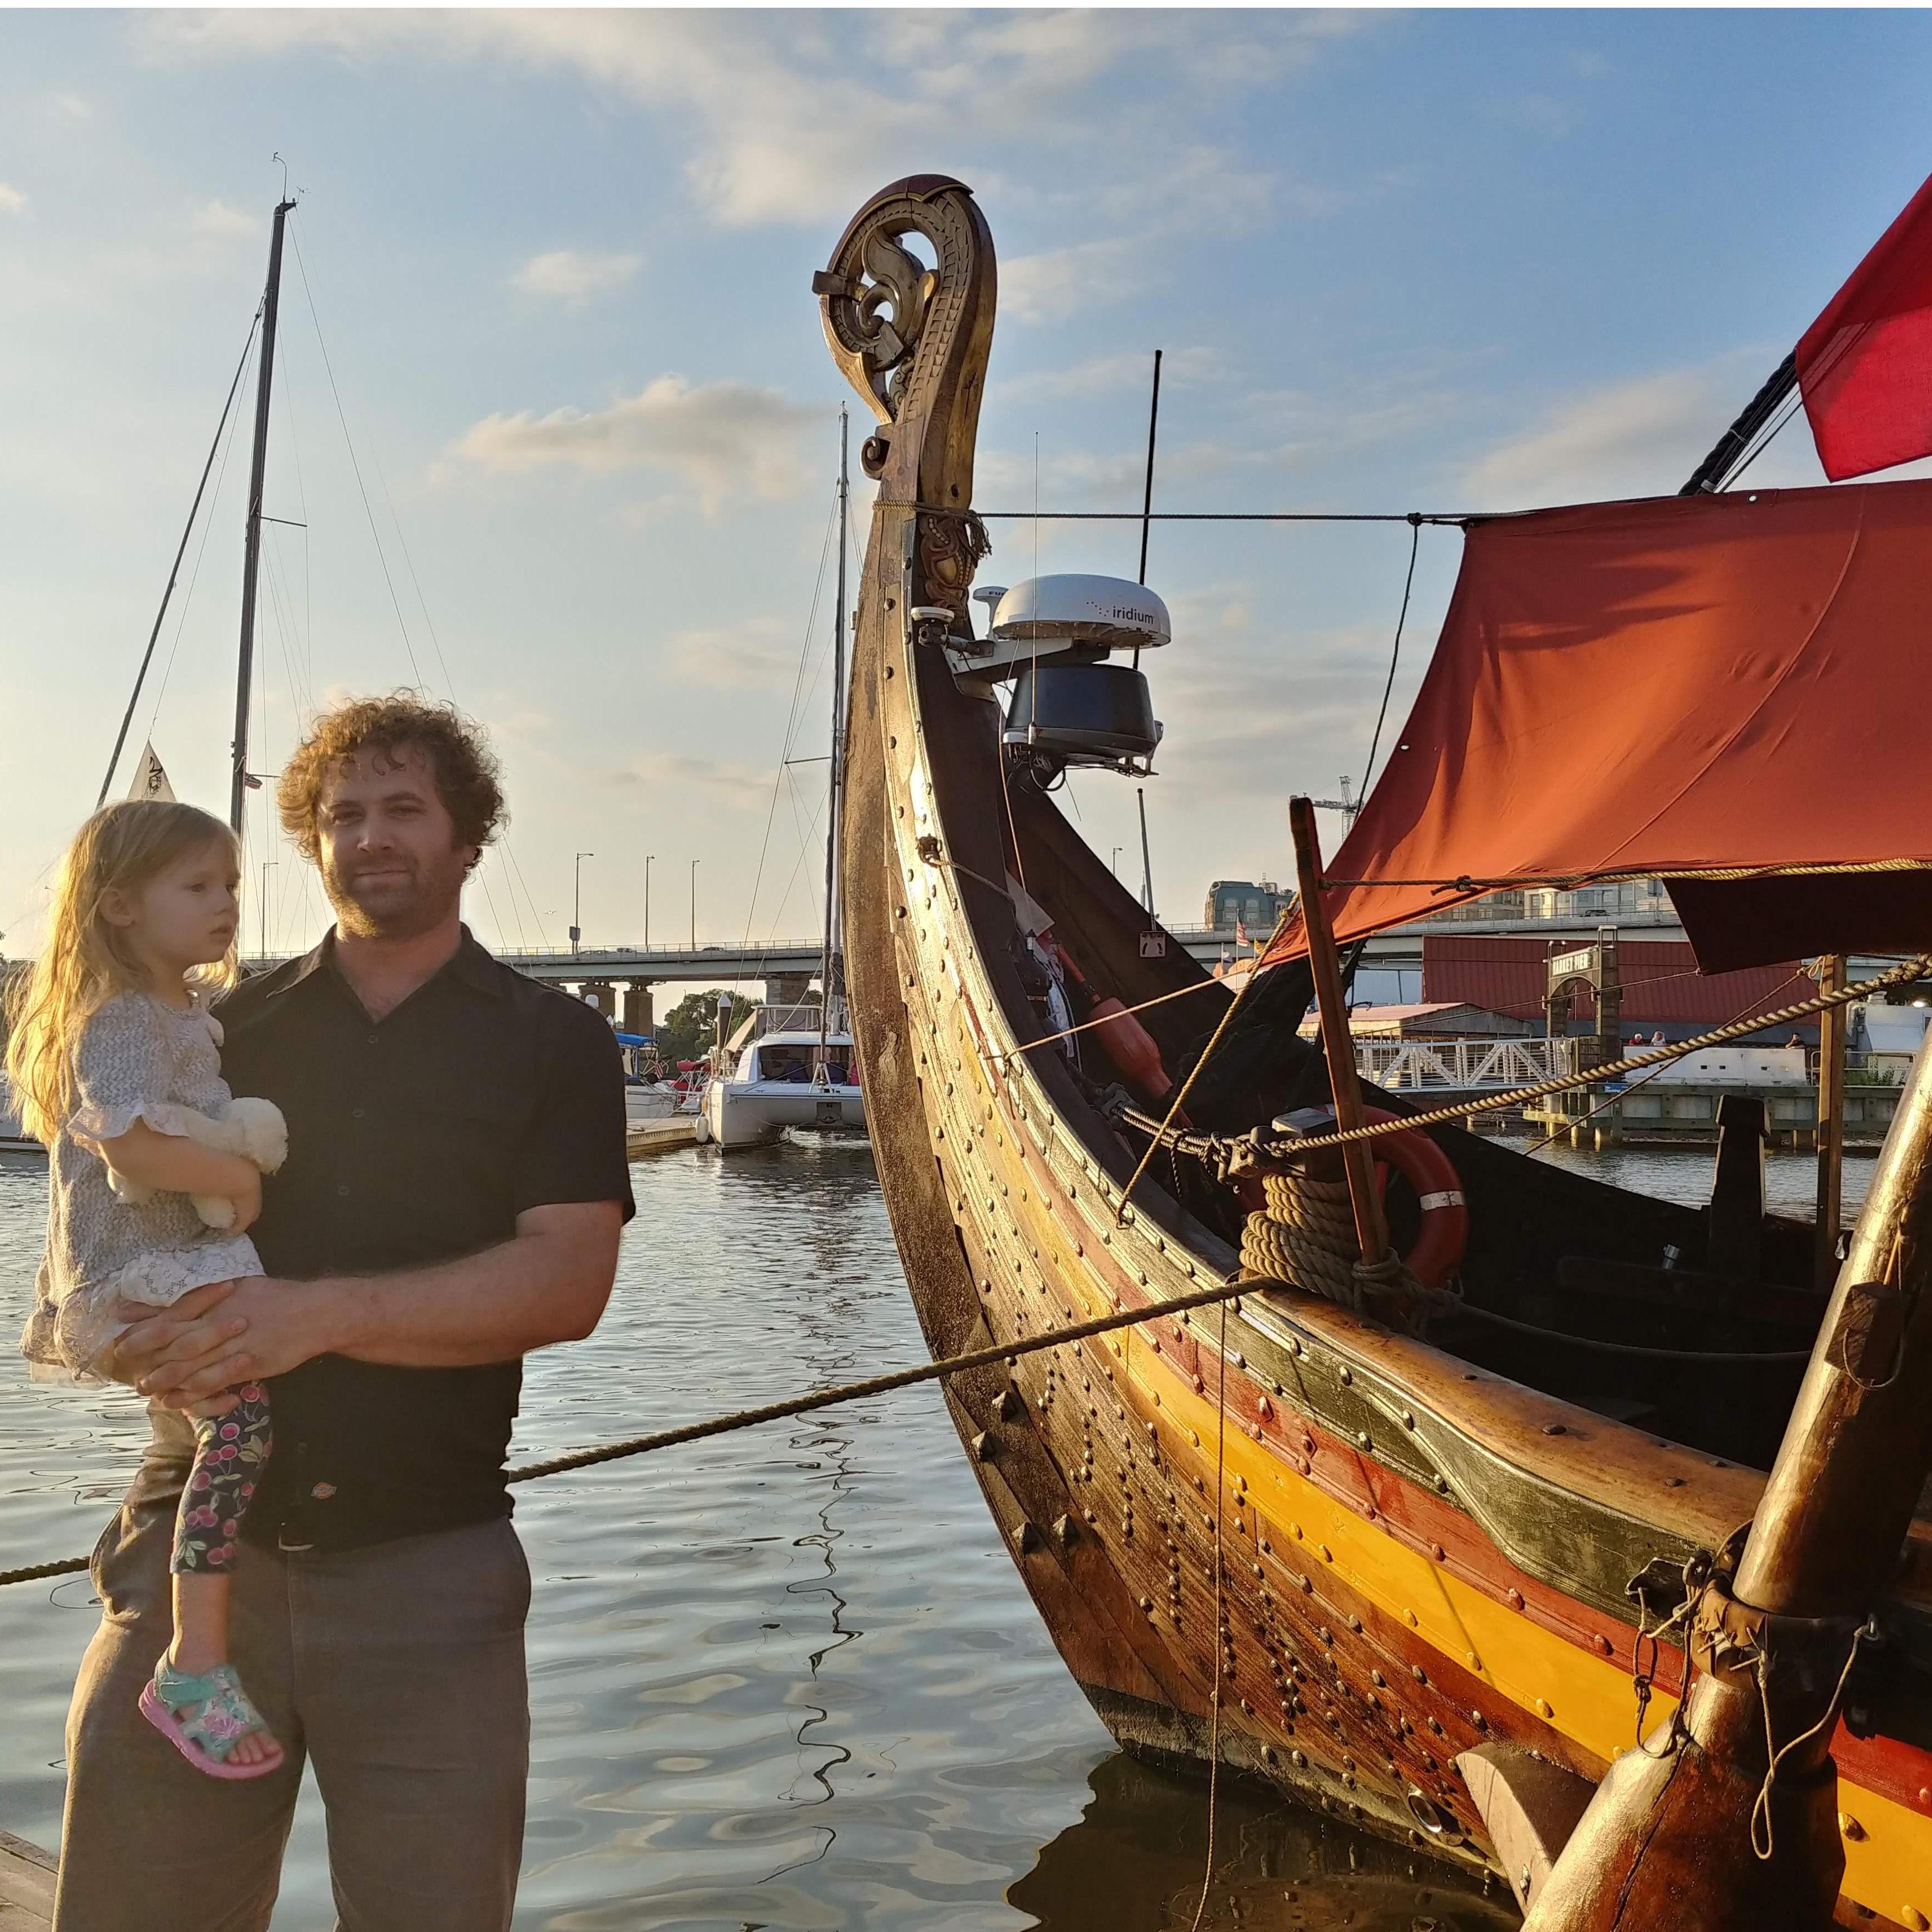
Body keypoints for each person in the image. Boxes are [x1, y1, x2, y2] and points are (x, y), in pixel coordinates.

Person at [49, 695, 634, 1932]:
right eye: (342, 814)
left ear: (467, 836)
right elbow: (110, 1220)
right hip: (191, 1571)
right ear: (312, 844)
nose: (371, 836)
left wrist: (312, 1315)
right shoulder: (219, 1033)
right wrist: (131, 1342)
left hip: (429, 1574)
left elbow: (566, 1282)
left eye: (403, 809)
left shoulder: (554, 1043)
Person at [8, 801, 289, 1777]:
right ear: (121, 906)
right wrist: (236, 1177)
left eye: (231, 888)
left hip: (171, 1257)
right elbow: (122, 1136)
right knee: (240, 1425)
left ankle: (196, 1653)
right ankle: (194, 1659)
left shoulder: (184, 1011)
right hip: (140, 1264)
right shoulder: (125, 1016)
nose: (225, 906)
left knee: (238, 1421)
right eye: (199, 886)